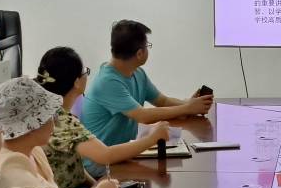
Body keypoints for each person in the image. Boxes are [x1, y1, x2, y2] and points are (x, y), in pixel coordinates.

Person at [0, 76, 123, 188]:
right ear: (33, 124)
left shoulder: (34, 151)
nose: (55, 122)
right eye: (51, 116)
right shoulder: (7, 165)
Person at [36, 46, 172, 188]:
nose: (87, 75)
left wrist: (95, 187)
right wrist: (153, 138)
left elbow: (76, 163)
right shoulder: (63, 121)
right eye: (85, 71)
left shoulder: (50, 114)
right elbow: (106, 155)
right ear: (76, 82)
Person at [80, 20, 213, 165]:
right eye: (147, 45)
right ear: (139, 53)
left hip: (125, 156)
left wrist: (190, 104)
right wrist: (187, 108)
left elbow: (162, 101)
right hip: (103, 165)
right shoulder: (107, 82)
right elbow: (143, 116)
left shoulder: (137, 73)